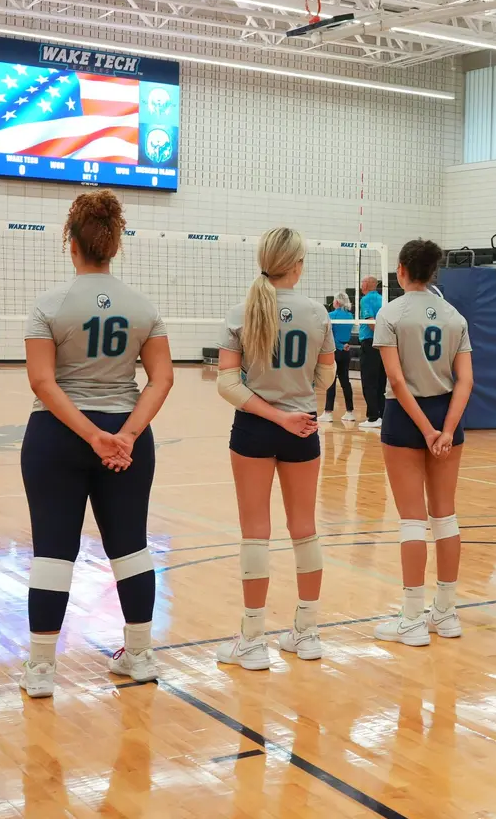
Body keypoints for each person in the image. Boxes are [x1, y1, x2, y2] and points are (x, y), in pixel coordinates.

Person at [18, 190, 174, 698]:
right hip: (127, 438)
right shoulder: (143, 307)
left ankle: (42, 669)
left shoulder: (49, 306)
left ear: (72, 242)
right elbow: (161, 379)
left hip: (57, 437)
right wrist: (124, 435)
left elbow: (43, 383)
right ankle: (140, 655)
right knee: (130, 546)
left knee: (53, 550)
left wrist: (91, 435)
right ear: (115, 243)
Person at [215, 227, 336, 669]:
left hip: (253, 428)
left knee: (255, 531)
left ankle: (252, 639)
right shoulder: (318, 314)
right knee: (305, 528)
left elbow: (227, 383)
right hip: (302, 428)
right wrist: (298, 408)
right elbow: (326, 378)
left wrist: (272, 413)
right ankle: (307, 632)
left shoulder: (240, 313)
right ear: (298, 265)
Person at [372, 240, 474, 647]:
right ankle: (446, 614)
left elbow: (396, 380)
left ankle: (412, 618)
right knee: (445, 517)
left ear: (401, 270)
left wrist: (426, 430)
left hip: (404, 417)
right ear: (433, 272)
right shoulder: (455, 317)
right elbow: (465, 379)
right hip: (447, 413)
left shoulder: (390, 313)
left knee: (412, 520)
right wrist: (445, 429)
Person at [324, 292, 356, 423]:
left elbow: (330, 336)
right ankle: (350, 412)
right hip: (346, 351)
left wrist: (340, 346)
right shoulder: (350, 316)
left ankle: (328, 413)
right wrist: (344, 346)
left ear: (336, 302)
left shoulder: (331, 315)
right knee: (345, 381)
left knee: (331, 381)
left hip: (335, 350)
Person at [358, 276, 385, 430]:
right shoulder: (383, 299)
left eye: (362, 282)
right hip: (383, 345)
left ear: (367, 285)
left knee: (368, 382)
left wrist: (378, 337)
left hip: (370, 343)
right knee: (381, 381)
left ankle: (373, 417)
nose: (361, 285)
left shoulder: (366, 299)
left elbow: (371, 322)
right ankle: (381, 415)